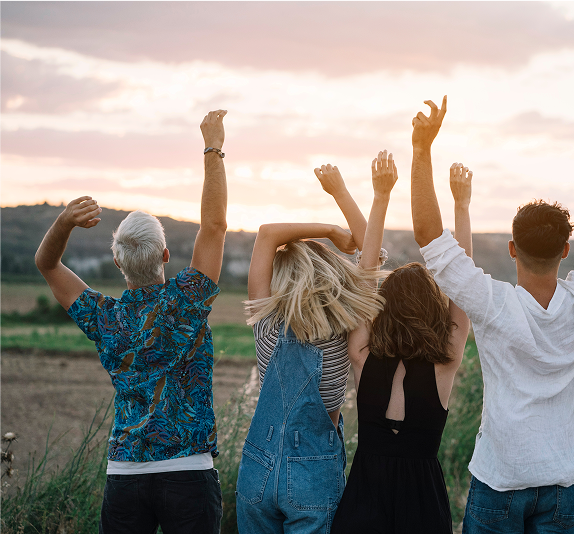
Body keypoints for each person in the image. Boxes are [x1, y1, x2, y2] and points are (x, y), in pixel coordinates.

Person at [410, 71, 574, 534]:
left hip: (500, 481)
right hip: (564, 486)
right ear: (567, 250)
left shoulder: (493, 303)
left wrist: (422, 149)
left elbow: (430, 237)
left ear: (512, 249)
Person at [34, 110, 230, 533]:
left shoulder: (106, 318)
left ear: (117, 261)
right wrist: (213, 147)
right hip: (189, 473)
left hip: (125, 476)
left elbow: (46, 264)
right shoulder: (187, 301)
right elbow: (214, 226)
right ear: (164, 255)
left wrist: (65, 221)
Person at [315, 152, 472, 533]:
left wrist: (380, 197)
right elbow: (464, 283)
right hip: (423, 504)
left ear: (382, 310)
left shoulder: (361, 356)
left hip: (365, 499)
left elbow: (365, 276)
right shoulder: (445, 362)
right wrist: (461, 206)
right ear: (434, 311)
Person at [235, 196, 384, 533]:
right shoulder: (349, 331)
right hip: (314, 472)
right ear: (332, 276)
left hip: (258, 468)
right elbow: (371, 250)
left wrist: (328, 231)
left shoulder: (264, 321)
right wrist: (341, 208)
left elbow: (267, 234)